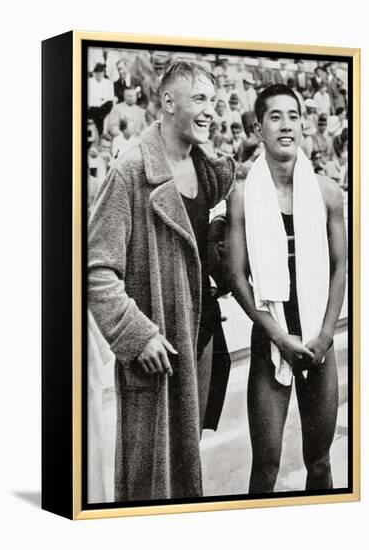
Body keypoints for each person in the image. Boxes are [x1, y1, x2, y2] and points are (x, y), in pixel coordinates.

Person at [88, 61, 235, 501]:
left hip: (202, 338)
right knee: (147, 479)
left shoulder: (209, 172)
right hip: (157, 350)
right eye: (200, 100)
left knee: (186, 463)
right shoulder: (131, 169)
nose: (211, 111)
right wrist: (136, 335)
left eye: (215, 101)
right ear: (168, 102)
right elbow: (96, 269)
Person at [225, 84, 346, 493]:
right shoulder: (243, 197)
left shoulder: (327, 193)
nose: (286, 125)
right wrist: (278, 335)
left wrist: (326, 335)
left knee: (320, 464)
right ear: (259, 128)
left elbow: (339, 265)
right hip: (271, 337)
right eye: (274, 117)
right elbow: (237, 275)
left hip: (317, 341)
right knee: (265, 469)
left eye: (292, 116)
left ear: (302, 124)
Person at [88, 63, 115, 138]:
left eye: (101, 72)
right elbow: (89, 99)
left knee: (109, 104)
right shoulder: (89, 82)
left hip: (104, 106)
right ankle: (101, 134)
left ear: (104, 73)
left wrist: (101, 101)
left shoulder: (109, 83)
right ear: (93, 73)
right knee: (96, 111)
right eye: (97, 72)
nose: (99, 74)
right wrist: (99, 101)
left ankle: (100, 134)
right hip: (92, 107)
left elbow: (110, 97)